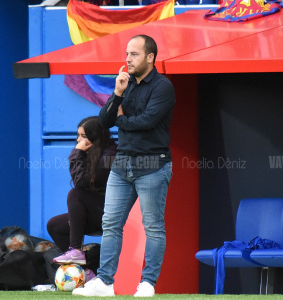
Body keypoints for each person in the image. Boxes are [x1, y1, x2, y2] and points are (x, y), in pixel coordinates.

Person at [73, 34, 176, 297]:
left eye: (134, 54)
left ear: (150, 57)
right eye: (127, 54)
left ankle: (148, 283)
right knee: (111, 223)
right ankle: (105, 282)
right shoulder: (125, 84)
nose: (128, 59)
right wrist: (117, 93)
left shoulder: (163, 87)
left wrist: (121, 119)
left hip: (152, 165)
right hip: (122, 165)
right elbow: (104, 122)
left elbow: (146, 122)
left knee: (153, 226)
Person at [47, 116, 117, 280]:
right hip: (96, 213)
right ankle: (86, 272)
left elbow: (80, 183)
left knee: (75, 194)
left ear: (96, 137)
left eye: (84, 136)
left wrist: (76, 153)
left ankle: (76, 250)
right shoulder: (92, 153)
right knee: (55, 225)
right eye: (78, 136)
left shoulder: (110, 155)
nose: (79, 140)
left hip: (111, 215)